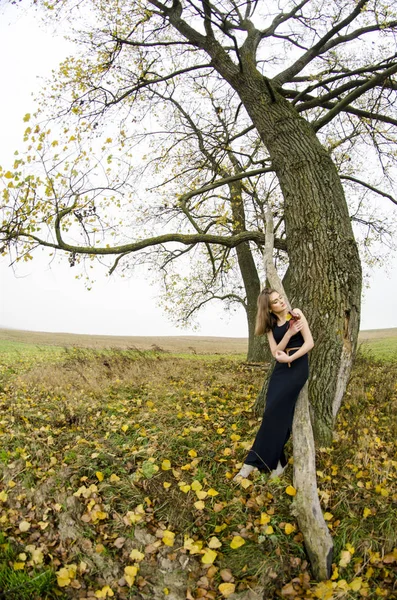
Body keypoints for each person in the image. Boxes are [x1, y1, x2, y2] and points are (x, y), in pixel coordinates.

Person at [233, 288, 314, 480]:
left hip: (297, 366)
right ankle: (279, 463)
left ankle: (250, 463)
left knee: (278, 413)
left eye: (280, 298)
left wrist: (290, 358)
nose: (281, 302)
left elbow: (309, 343)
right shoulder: (270, 325)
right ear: (269, 308)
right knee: (272, 413)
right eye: (276, 302)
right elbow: (275, 351)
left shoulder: (296, 313)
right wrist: (289, 333)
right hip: (280, 370)